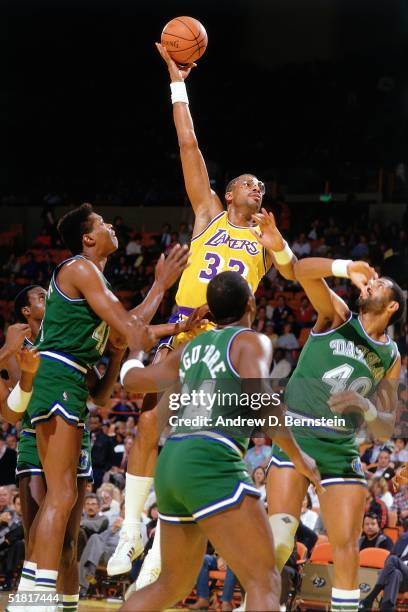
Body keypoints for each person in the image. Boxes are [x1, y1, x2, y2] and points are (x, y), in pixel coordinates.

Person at [108, 40, 298, 580]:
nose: (256, 185)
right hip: (184, 327)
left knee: (196, 439)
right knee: (148, 427)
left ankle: (164, 557)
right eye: (247, 181)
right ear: (231, 191)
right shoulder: (209, 212)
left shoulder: (265, 236)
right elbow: (188, 144)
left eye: (261, 185)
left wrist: (276, 237)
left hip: (223, 341)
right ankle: (129, 534)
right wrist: (178, 82)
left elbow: (287, 273)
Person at [19, 203, 191, 608]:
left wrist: (177, 327)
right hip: (58, 376)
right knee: (60, 496)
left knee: (66, 498)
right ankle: (34, 597)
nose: (113, 227)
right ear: (88, 238)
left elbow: (115, 367)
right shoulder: (80, 268)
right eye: (104, 224)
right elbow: (132, 331)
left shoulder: (97, 281)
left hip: (72, 382)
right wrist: (161, 285)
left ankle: (46, 596)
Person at [119, 271, 322, 611]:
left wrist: (135, 351)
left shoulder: (191, 347)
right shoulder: (250, 341)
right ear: (251, 303)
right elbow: (261, 400)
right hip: (211, 457)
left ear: (210, 310)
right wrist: (300, 458)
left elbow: (136, 381)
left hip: (172, 459)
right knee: (264, 580)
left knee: (171, 583)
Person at [266, 250, 404, 612]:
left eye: (378, 284)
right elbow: (301, 271)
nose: (369, 284)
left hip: (340, 447)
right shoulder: (339, 315)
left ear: (392, 307)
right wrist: (346, 269)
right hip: (296, 435)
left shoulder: (390, 356)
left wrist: (365, 405)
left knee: (345, 545)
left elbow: (386, 428)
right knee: (279, 540)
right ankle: (263, 604)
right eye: (369, 280)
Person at [359, 519, 408, 611]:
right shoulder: (404, 538)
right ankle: (387, 608)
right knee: (395, 574)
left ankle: (370, 597)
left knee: (394, 560)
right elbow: (388, 560)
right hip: (403, 578)